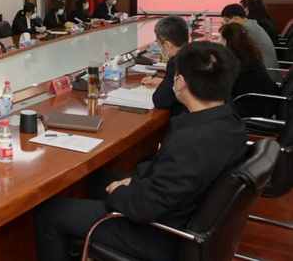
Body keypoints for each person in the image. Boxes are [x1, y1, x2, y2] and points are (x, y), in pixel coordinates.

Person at [34, 42, 247, 261]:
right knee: (96, 180)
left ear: (181, 82)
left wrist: (121, 191)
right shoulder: (232, 124)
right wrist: (136, 181)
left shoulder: (192, 143)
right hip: (183, 212)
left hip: (162, 235)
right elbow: (171, 181)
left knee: (50, 214)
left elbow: (143, 207)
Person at [220, 23, 279, 118]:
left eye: (222, 39)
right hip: (258, 101)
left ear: (229, 42)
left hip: (252, 108)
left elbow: (221, 81)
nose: (220, 43)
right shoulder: (247, 54)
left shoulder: (240, 63)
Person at [141, 15, 189, 115]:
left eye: (159, 44)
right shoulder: (195, 53)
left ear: (167, 45)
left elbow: (160, 100)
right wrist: (162, 82)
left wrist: (164, 85)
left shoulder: (176, 62)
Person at [221, 4, 281, 82]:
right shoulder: (251, 24)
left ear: (235, 18)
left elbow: (237, 52)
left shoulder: (247, 30)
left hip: (265, 75)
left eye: (226, 21)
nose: (225, 23)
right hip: (262, 70)